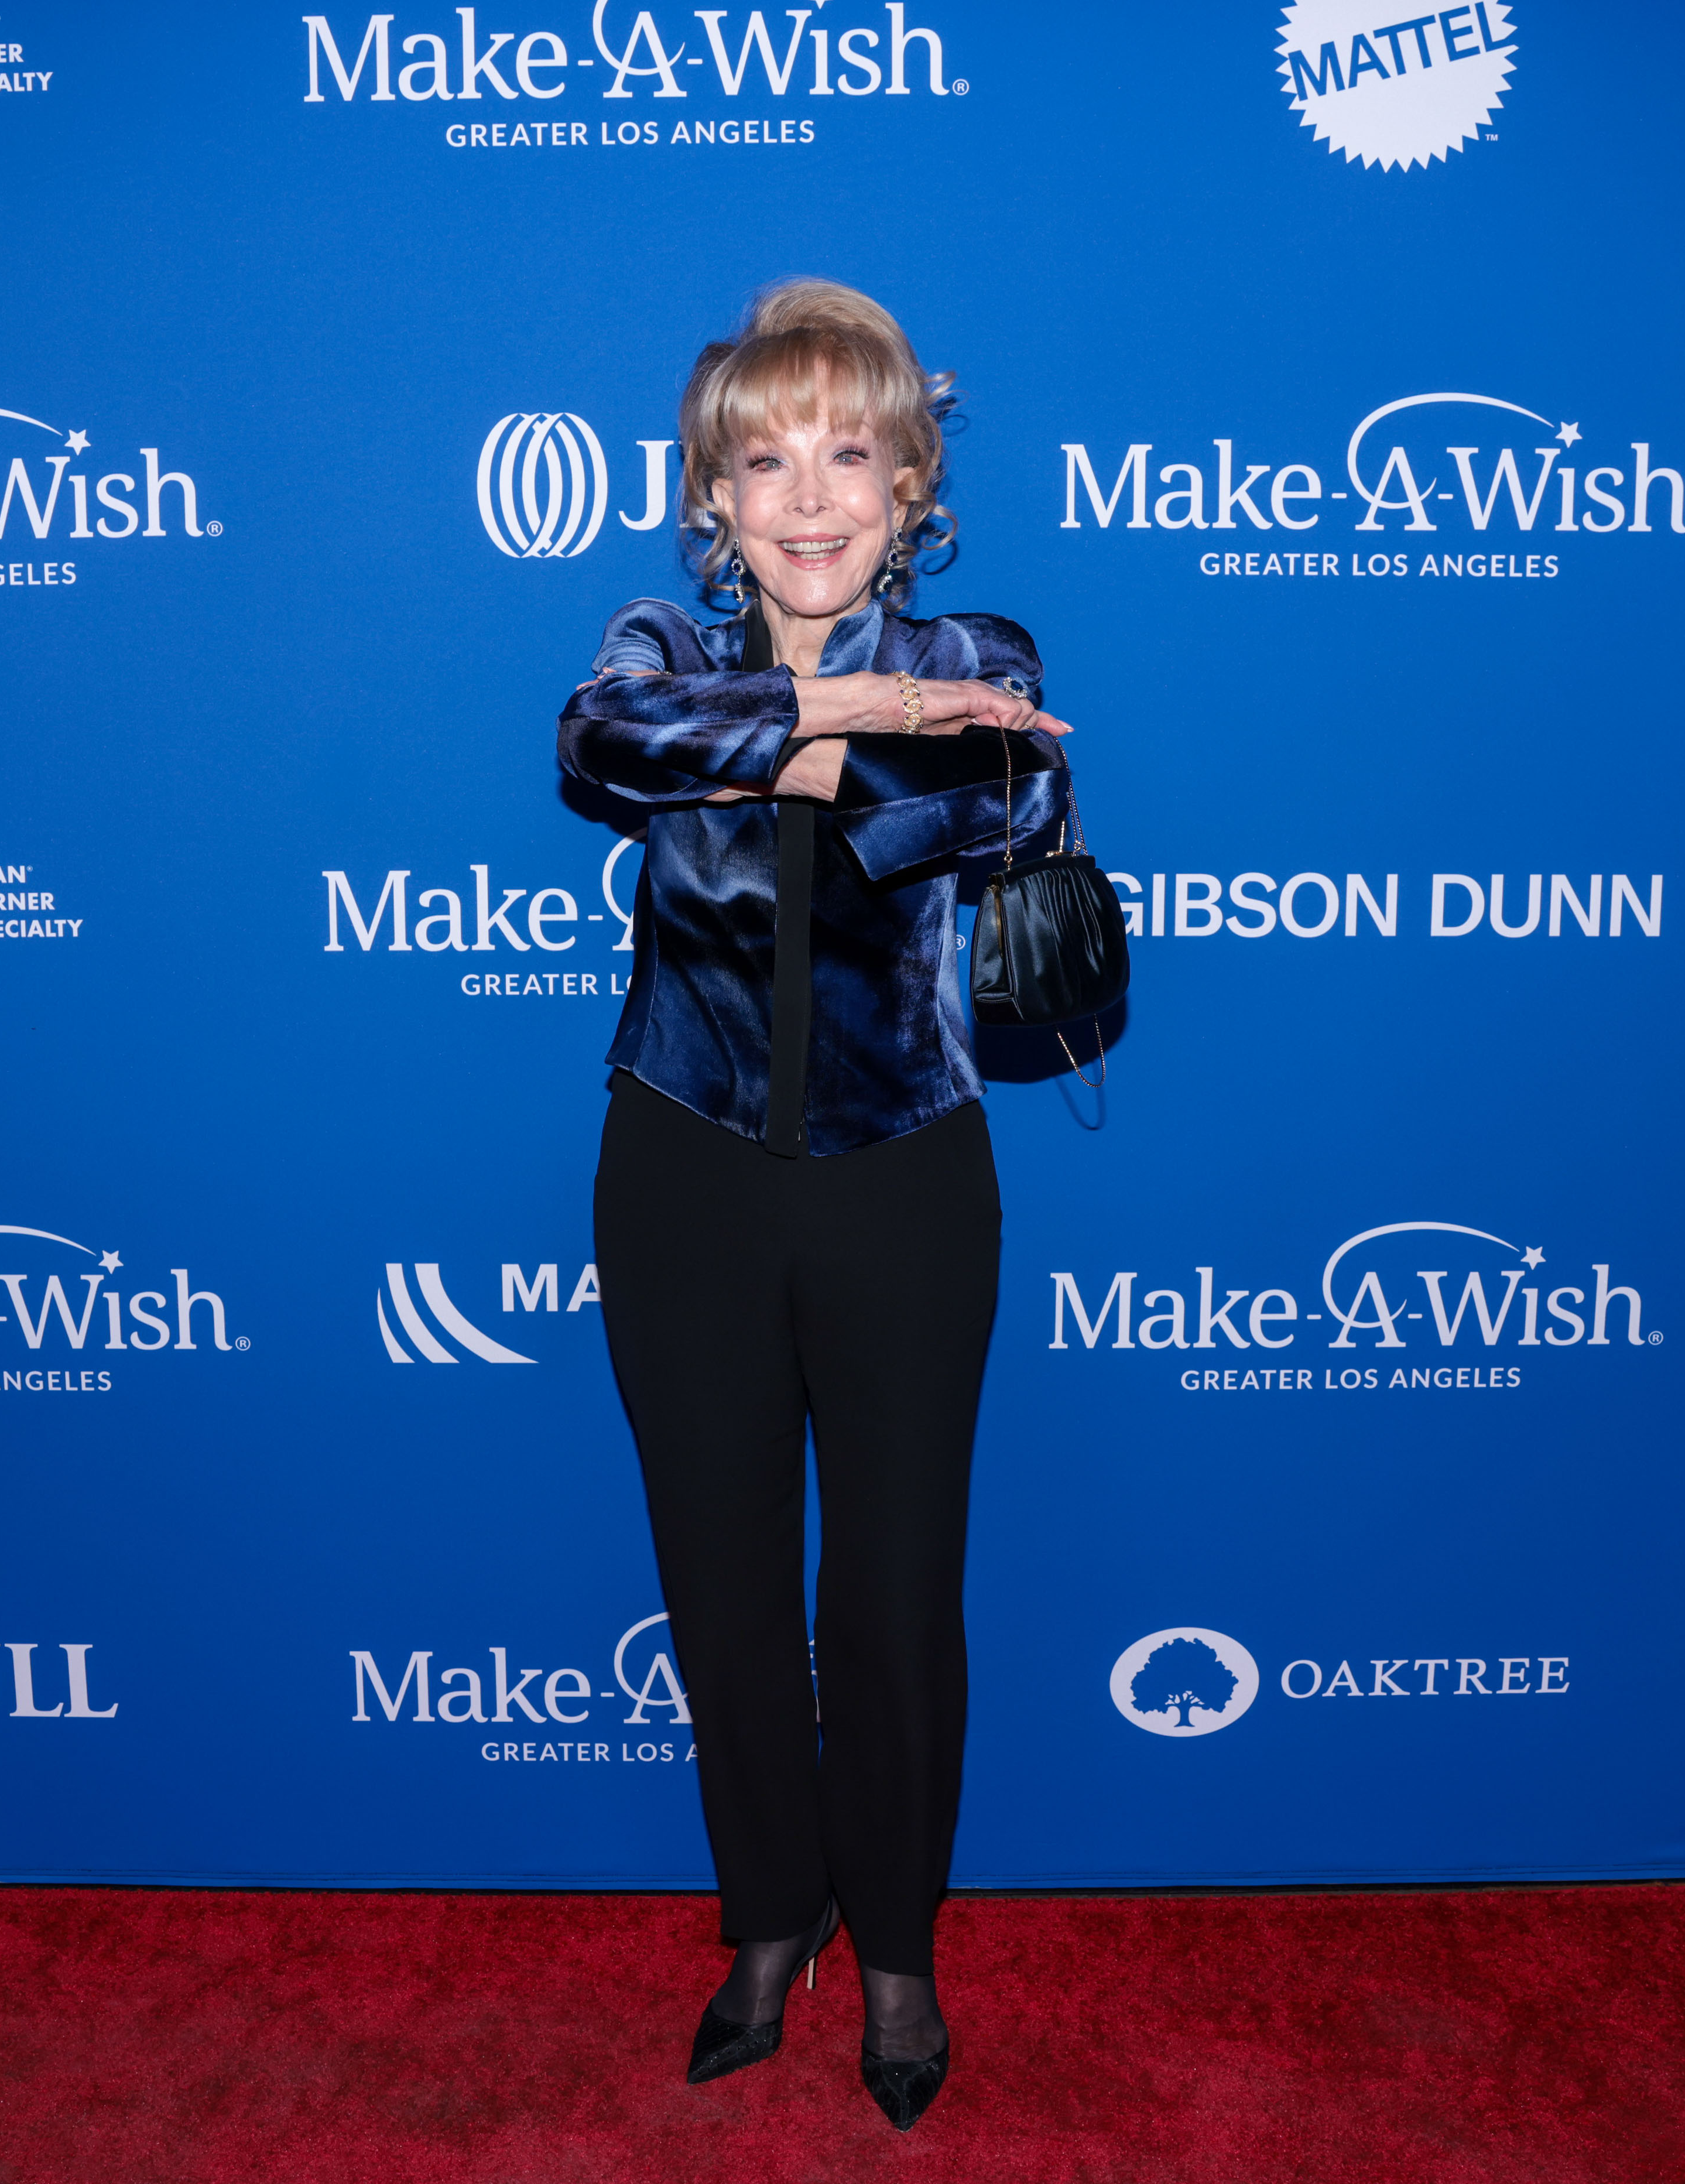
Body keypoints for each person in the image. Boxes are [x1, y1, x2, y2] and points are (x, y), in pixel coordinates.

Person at [556, 278, 1074, 2132]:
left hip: (903, 1180)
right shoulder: (651, 646)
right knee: (719, 1575)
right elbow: (600, 750)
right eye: (764, 456)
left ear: (914, 478)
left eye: (850, 449)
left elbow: (970, 806)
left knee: (893, 1588)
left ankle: (906, 1947)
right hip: (680, 1172)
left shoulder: (985, 645)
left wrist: (823, 732)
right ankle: (771, 1918)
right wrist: (842, 707)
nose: (807, 493)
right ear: (714, 492)